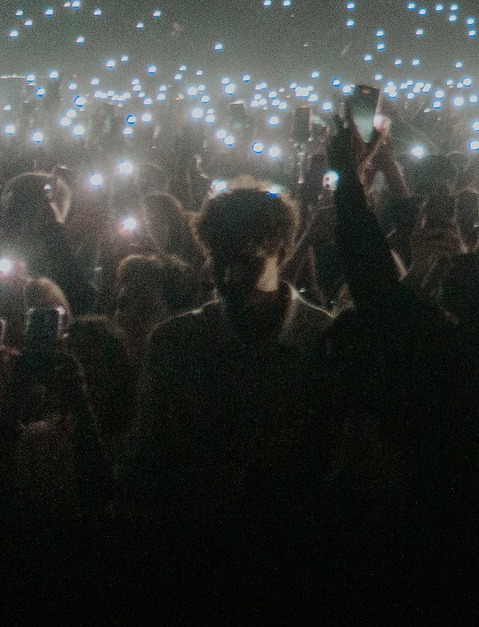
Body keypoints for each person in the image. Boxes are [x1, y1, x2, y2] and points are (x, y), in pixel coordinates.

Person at [117, 184, 328, 524]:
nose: (229, 276)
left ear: (282, 254)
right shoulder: (175, 342)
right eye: (219, 259)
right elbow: (147, 457)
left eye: (246, 259)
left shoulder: (323, 339)